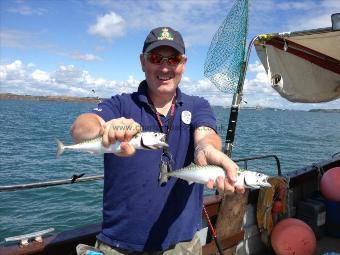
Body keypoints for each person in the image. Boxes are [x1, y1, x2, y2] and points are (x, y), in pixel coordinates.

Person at [71, 27, 244, 255]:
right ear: (143, 62)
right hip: (118, 245)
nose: (165, 67)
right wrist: (104, 128)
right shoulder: (120, 104)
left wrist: (207, 148)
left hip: (182, 245)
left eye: (173, 59)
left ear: (183, 63)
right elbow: (81, 126)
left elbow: (205, 134)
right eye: (155, 58)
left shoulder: (198, 105)